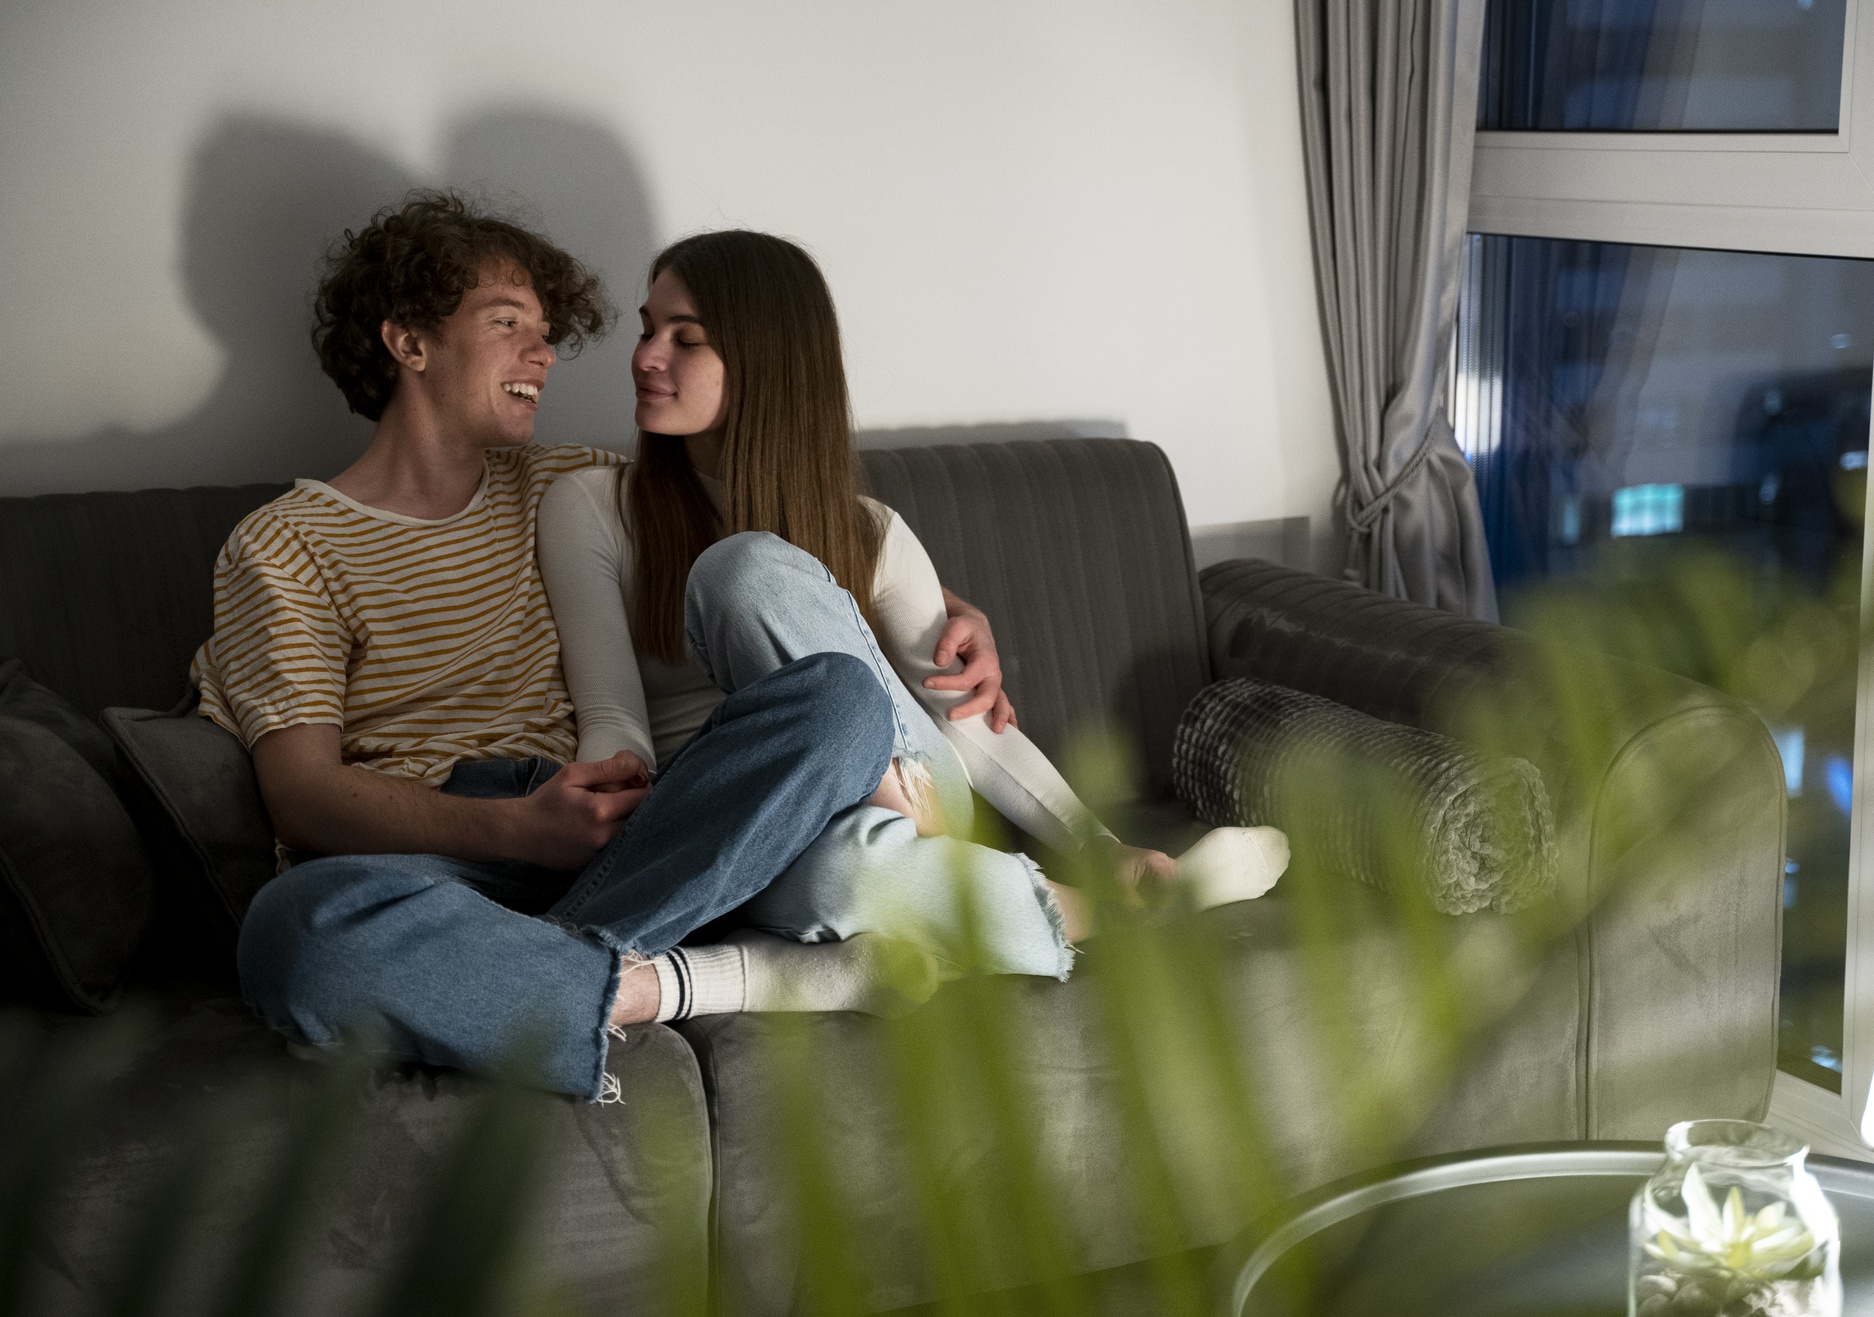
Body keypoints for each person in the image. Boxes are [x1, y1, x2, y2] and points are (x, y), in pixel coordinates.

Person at [197, 193, 1017, 1101]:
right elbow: (301, 798)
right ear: (409, 342)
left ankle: (519, 983)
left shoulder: (569, 483)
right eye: (509, 325)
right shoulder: (285, 543)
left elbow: (767, 519)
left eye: (547, 332)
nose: (544, 355)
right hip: (445, 856)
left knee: (841, 700)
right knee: (292, 931)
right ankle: (721, 977)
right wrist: (515, 829)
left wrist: (941, 603)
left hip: (641, 833)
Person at [537, 229, 1290, 985]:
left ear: (766, 360)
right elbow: (614, 716)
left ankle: (909, 805)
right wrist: (621, 825)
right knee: (842, 878)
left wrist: (1101, 840)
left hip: (913, 784)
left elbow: (971, 721)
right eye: (647, 329)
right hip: (735, 822)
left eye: (685, 339)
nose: (645, 356)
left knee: (744, 569)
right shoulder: (592, 507)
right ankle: (1126, 905)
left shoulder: (870, 529)